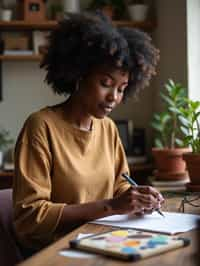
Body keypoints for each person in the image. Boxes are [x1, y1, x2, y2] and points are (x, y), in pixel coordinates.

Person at [13, 12, 163, 252]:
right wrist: (111, 206)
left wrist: (137, 198)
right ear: (79, 75)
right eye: (105, 84)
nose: (114, 97)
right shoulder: (41, 126)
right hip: (58, 252)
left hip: (104, 241)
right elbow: (30, 217)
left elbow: (120, 187)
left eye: (122, 88)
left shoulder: (108, 129)